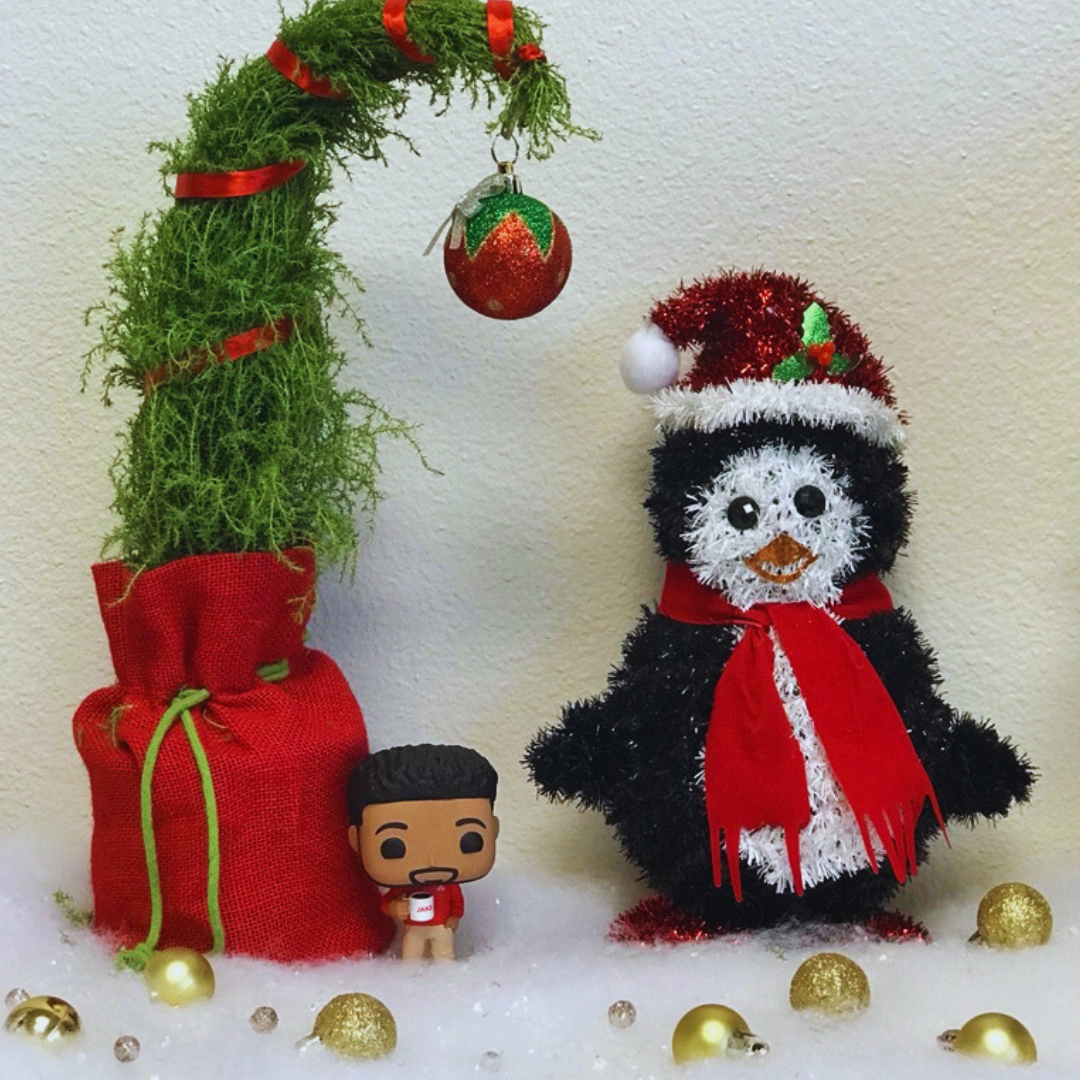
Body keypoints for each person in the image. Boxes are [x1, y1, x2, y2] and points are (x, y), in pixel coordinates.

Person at [347, 744, 499, 960]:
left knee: (444, 954)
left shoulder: (448, 886)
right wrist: (395, 908)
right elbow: (387, 903)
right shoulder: (404, 888)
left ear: (493, 830)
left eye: (469, 841)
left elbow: (457, 903)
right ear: (356, 840)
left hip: (441, 927)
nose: (432, 861)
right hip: (413, 928)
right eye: (392, 847)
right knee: (411, 955)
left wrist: (454, 918)